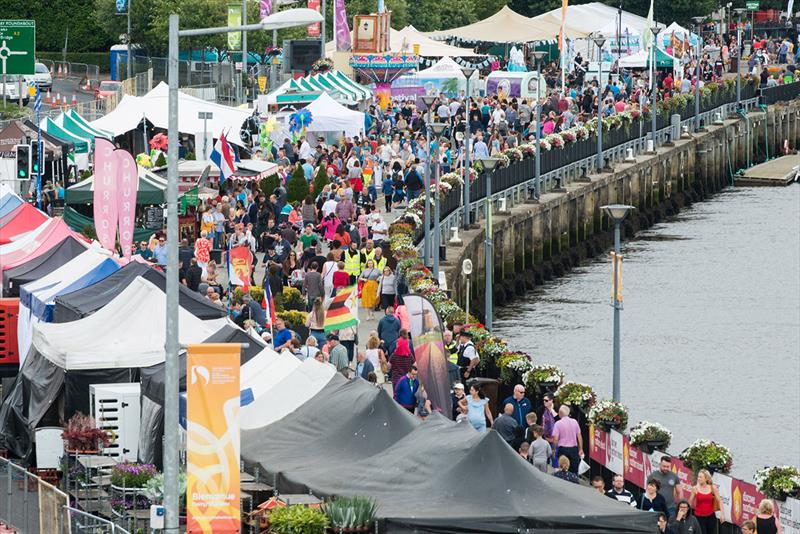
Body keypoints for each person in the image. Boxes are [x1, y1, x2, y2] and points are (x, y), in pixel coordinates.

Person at [689, 469, 724, 533]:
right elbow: (690, 503)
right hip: (699, 517)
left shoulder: (712, 488)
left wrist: (722, 514)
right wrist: (687, 515)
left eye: (700, 477)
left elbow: (719, 500)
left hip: (711, 516)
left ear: (706, 479)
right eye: (698, 477)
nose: (698, 478)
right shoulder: (695, 489)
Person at [551, 405, 583, 475]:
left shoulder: (558, 424)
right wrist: (581, 449)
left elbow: (555, 439)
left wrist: (554, 449)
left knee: (563, 468)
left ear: (560, 413)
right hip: (573, 449)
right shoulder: (574, 422)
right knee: (574, 470)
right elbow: (579, 436)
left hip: (563, 449)